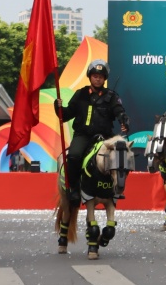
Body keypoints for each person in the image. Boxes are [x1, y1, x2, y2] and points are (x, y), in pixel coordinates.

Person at [55, 59, 130, 209]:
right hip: (83, 135)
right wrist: (58, 108)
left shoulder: (112, 96)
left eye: (101, 77)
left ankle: (116, 189)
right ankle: (74, 190)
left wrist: (124, 120)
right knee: (74, 156)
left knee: (120, 157)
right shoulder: (80, 94)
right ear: (90, 76)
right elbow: (67, 114)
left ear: (105, 79)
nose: (98, 79)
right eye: (95, 76)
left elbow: (119, 111)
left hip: (104, 138)